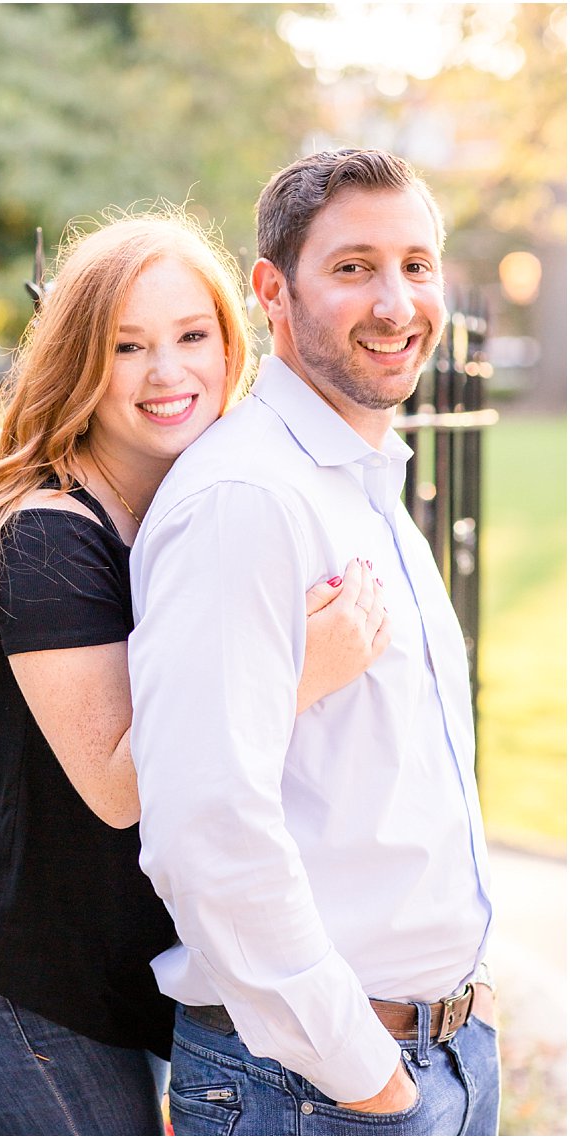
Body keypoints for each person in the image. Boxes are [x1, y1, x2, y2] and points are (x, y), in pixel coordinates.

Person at [0, 210, 392, 1136]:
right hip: (18, 971)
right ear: (82, 360)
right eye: (128, 347)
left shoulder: (194, 505)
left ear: (230, 343)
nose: (169, 372)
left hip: (122, 966)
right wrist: (300, 671)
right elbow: (119, 785)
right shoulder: (46, 534)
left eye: (193, 336)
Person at [129, 150, 497, 1136]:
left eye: (415, 265)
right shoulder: (245, 498)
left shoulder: (356, 479)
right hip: (312, 1088)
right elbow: (204, 822)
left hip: (438, 1058)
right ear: (270, 291)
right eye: (352, 267)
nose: (395, 302)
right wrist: (361, 1069)